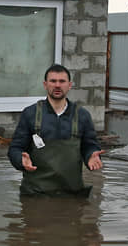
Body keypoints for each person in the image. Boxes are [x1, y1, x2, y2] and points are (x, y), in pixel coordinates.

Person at [7, 64, 104, 196]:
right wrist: (20, 160)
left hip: (72, 194)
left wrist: (90, 157)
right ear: (45, 84)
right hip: (36, 194)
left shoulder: (82, 115)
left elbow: (89, 146)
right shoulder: (30, 114)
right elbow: (15, 149)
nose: (57, 85)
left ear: (69, 85)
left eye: (62, 81)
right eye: (53, 81)